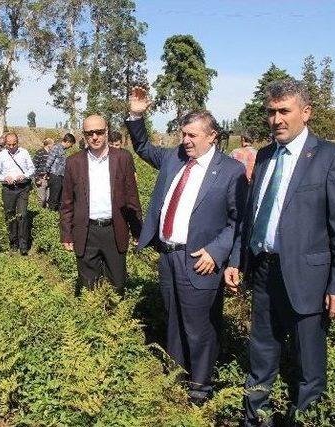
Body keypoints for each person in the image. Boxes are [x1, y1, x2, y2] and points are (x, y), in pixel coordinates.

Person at [224, 79, 335, 426]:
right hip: (264, 273)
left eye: (284, 111)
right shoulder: (265, 155)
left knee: (308, 362)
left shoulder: (331, 158)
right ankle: (256, 417)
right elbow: (252, 215)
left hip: (309, 280)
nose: (276, 119)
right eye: (271, 112)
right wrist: (236, 260)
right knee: (261, 352)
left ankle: (303, 418)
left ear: (306, 112)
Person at [125, 86, 248, 405]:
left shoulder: (231, 171)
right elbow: (140, 145)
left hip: (200, 260)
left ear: (213, 136)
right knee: (175, 319)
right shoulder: (174, 157)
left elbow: (239, 220)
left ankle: (201, 387)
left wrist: (219, 252)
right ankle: (178, 375)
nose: (186, 141)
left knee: (200, 326)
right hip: (168, 257)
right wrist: (137, 115)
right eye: (184, 134)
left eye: (193, 135)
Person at [60, 115, 142, 295]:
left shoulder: (122, 158)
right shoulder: (74, 162)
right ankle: (93, 319)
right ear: (84, 135)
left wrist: (137, 231)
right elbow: (67, 202)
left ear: (106, 131)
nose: (95, 137)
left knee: (117, 284)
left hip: (114, 229)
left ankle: (113, 319)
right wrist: (66, 234)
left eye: (99, 132)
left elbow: (132, 198)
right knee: (88, 286)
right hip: (86, 230)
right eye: (90, 133)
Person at [0, 132, 35, 255]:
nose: (11, 146)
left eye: (14, 144)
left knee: (22, 215)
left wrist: (24, 175)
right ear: (5, 144)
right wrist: (5, 177)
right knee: (10, 215)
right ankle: (13, 242)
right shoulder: (2, 155)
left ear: (18, 142)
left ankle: (23, 245)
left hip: (22, 188)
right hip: (8, 189)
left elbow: (32, 169)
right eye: (8, 144)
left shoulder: (24, 153)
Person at [45, 133, 75, 211]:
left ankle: (57, 214)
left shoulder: (63, 150)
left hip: (60, 176)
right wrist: (47, 174)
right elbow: (49, 162)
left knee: (60, 197)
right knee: (54, 197)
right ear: (68, 142)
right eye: (71, 144)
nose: (71, 147)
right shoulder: (56, 148)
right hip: (55, 175)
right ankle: (50, 214)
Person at [32, 138, 53, 208]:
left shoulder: (52, 153)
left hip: (49, 179)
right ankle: (40, 214)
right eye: (53, 144)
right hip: (41, 179)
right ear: (49, 145)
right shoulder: (40, 152)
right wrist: (36, 178)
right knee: (41, 199)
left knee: (48, 199)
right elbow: (33, 166)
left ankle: (47, 215)